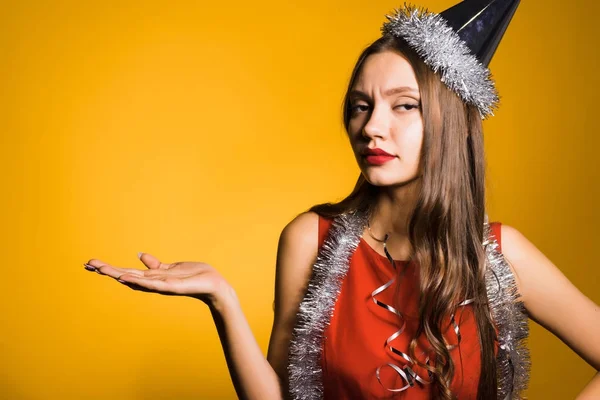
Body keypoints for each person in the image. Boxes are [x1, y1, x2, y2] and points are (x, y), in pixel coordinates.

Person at [83, 1, 600, 399]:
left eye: (403, 106)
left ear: (449, 121)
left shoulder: (498, 255)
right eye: (360, 105)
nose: (371, 127)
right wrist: (222, 300)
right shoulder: (310, 239)